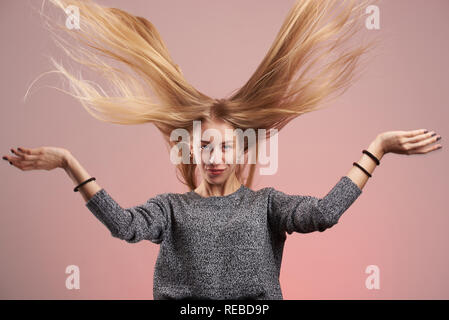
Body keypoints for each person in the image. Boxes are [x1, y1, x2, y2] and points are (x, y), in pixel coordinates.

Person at [2, 0, 443, 299]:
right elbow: (124, 226)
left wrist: (378, 148)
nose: (215, 157)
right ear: (190, 149)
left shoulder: (267, 205)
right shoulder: (170, 209)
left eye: (226, 146)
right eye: (205, 145)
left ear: (243, 150)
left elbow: (324, 214)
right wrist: (68, 163)